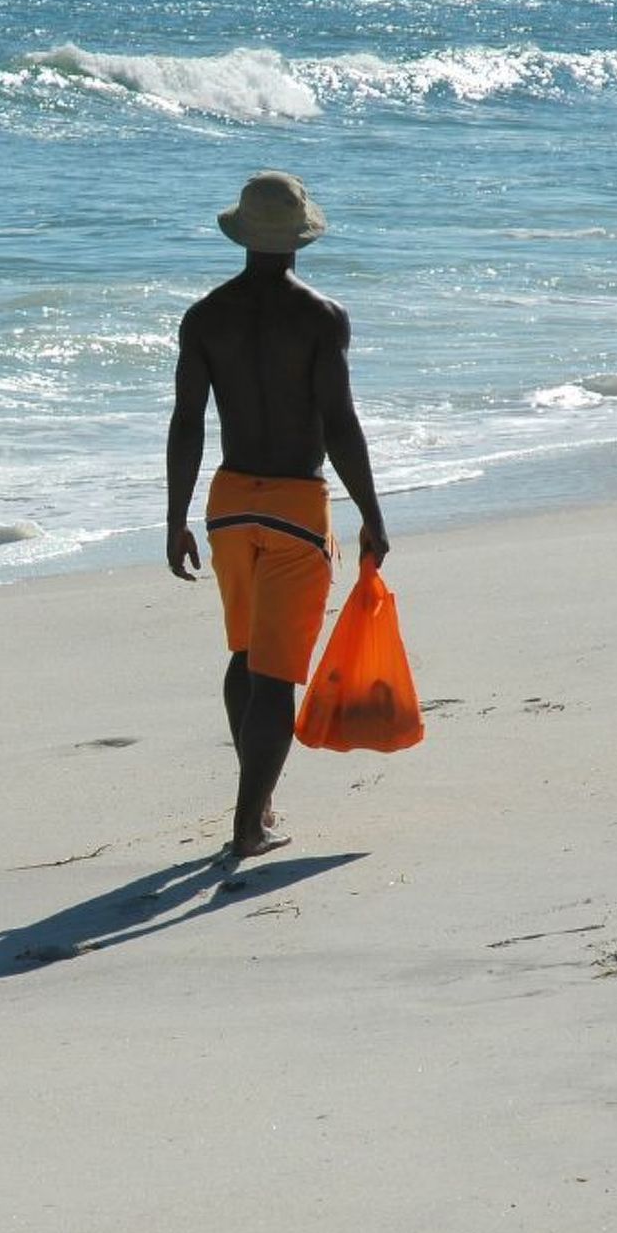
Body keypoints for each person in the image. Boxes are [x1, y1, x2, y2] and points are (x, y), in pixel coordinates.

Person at [165, 172, 390, 859]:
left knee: (245, 655)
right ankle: (245, 825)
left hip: (229, 504)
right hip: (296, 504)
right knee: (275, 673)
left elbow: (187, 424)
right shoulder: (320, 317)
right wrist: (371, 514)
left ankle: (255, 803)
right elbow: (340, 423)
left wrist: (175, 518)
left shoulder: (205, 316)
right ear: (298, 238)